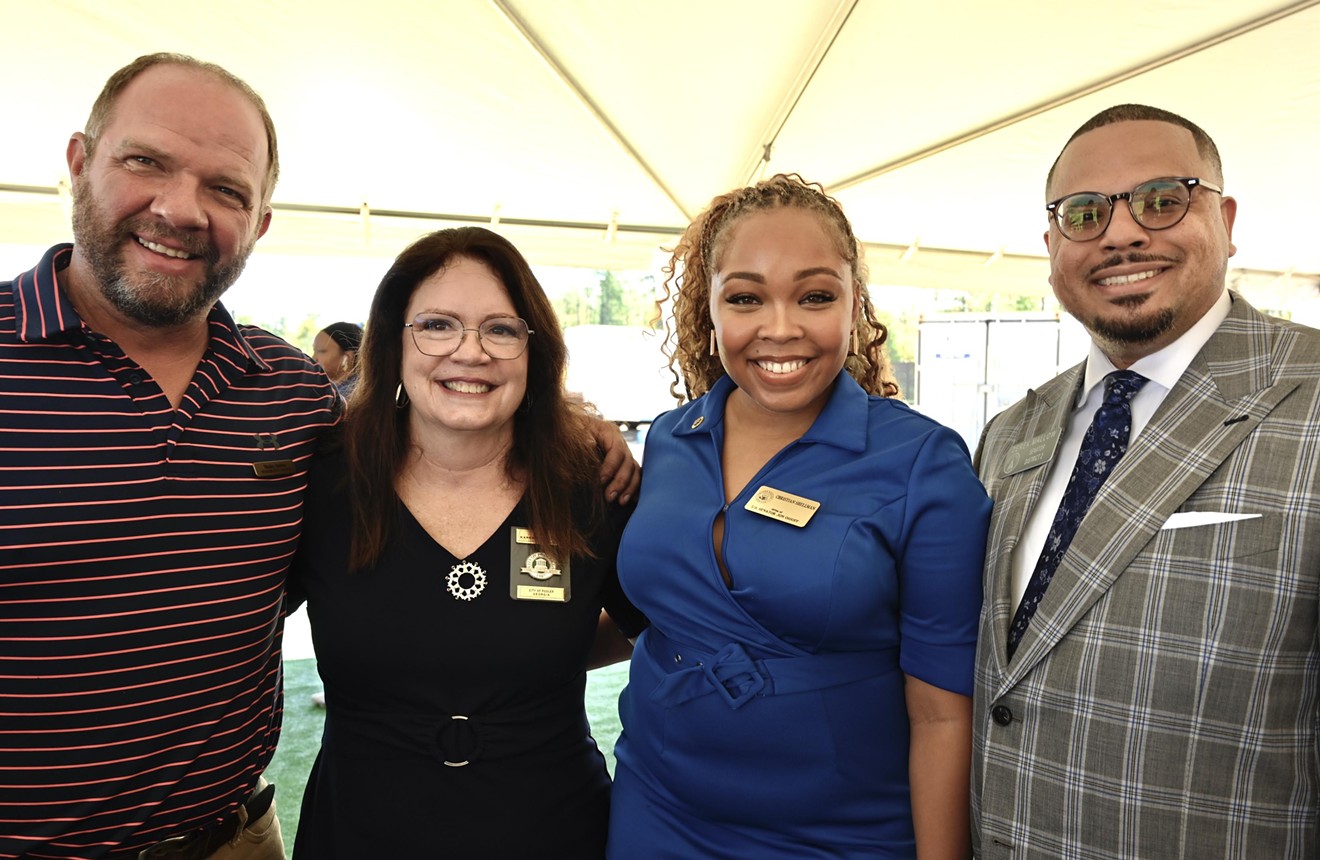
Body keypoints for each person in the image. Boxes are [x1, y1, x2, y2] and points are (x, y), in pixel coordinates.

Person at [0, 54, 639, 860]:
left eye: (228, 189)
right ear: (78, 164)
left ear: (261, 220)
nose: (180, 208)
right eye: (145, 161)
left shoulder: (287, 396)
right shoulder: (327, 443)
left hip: (232, 840)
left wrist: (573, 425)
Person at [972, 105, 1320, 857]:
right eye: (1085, 213)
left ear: (1224, 219)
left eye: (1162, 200)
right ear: (1053, 245)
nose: (1122, 234)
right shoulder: (1009, 435)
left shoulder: (1310, 396)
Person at [607, 174, 990, 858]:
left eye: (814, 296)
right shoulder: (670, 437)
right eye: (747, 298)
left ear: (853, 305)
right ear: (711, 308)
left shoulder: (921, 463)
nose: (779, 328)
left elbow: (940, 714)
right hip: (656, 811)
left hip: (841, 835)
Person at [289, 226, 645, 858]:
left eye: (501, 330)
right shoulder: (325, 482)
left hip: (554, 828)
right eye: (437, 325)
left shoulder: (591, 484)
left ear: (534, 350)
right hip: (362, 830)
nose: (470, 352)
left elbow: (649, 621)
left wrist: (533, 652)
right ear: (393, 341)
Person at [312, 320, 363, 396]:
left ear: (347, 357)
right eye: (314, 351)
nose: (313, 358)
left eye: (321, 351)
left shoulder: (348, 397)